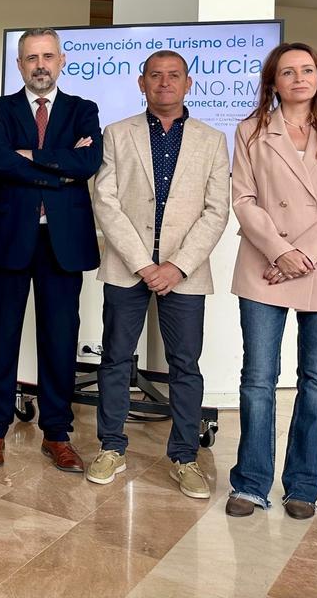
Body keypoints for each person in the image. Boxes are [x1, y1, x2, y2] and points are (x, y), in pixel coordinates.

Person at [225, 42, 317, 520]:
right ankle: (250, 483)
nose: (299, 78)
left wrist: (302, 253)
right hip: (266, 263)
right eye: (288, 71)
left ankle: (303, 485)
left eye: (308, 70)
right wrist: (282, 251)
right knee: (258, 379)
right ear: (273, 82)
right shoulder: (250, 131)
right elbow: (242, 199)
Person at [89, 50, 229, 498]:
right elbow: (105, 200)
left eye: (174, 76)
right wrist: (144, 263)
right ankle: (111, 446)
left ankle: (184, 457)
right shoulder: (116, 133)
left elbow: (216, 210)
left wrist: (176, 266)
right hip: (128, 267)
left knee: (185, 365)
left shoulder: (212, 139)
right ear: (141, 83)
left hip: (184, 273)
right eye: (155, 76)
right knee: (115, 359)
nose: (164, 83)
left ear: (189, 84)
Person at [0, 27, 101, 473]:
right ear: (20, 65)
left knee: (60, 340)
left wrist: (29, 157)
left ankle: (57, 433)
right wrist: (59, 169)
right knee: (1, 337)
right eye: (32, 58)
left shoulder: (83, 110)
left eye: (48, 56)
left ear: (61, 60)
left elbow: (88, 163)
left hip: (63, 243)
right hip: (10, 238)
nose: (40, 64)